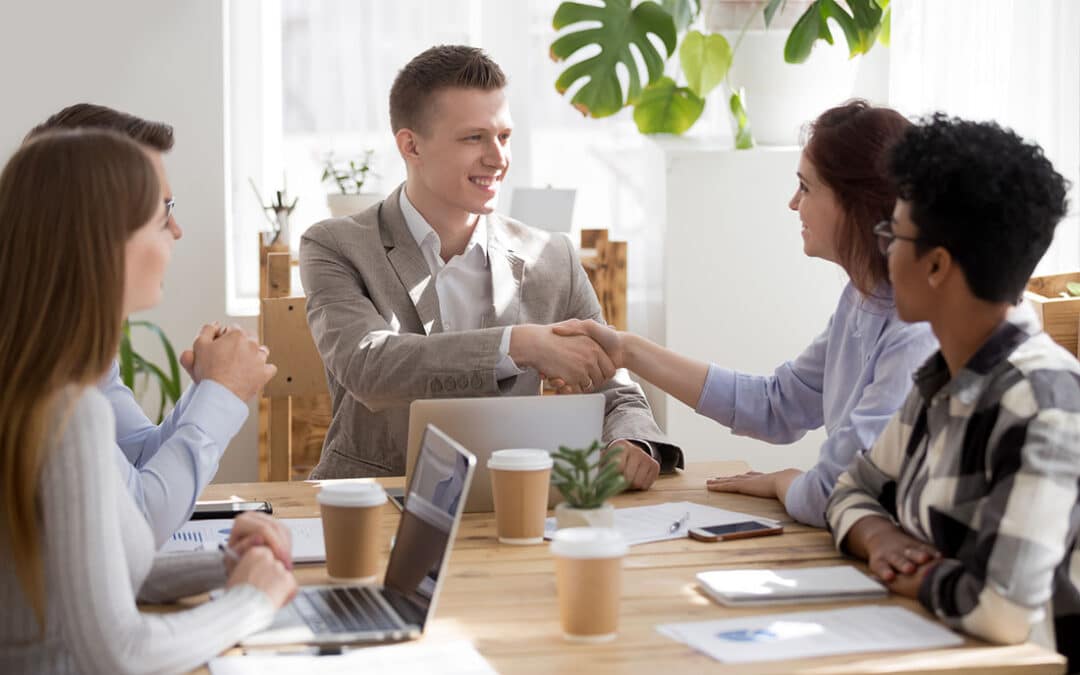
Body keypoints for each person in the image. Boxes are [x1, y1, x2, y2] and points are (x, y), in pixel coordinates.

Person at [299, 45, 681, 488]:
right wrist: (520, 345)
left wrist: (631, 442)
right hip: (376, 502)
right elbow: (370, 367)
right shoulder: (335, 245)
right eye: (473, 138)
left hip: (514, 504)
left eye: (504, 136)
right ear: (411, 145)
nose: (498, 158)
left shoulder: (551, 259)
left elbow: (617, 393)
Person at [552, 101, 938, 526]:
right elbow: (777, 406)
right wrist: (627, 350)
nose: (794, 204)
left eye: (806, 188)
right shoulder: (860, 299)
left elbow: (838, 490)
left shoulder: (914, 332)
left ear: (855, 204)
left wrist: (783, 482)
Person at [0, 129, 298, 673]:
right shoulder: (67, 410)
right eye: (163, 216)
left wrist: (225, 567)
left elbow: (83, 573)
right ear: (106, 240)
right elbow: (119, 652)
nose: (176, 232)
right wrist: (252, 601)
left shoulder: (37, 380)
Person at [826, 115, 1078, 669]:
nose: (884, 250)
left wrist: (913, 577)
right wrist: (879, 538)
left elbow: (1002, 609)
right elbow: (851, 489)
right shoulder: (942, 377)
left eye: (892, 235)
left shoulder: (1044, 402)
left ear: (937, 264)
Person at [25, 104, 278, 548]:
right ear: (102, 225)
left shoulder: (75, 345)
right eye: (164, 209)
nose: (176, 229)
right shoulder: (42, 373)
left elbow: (135, 457)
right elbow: (138, 523)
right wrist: (223, 393)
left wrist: (210, 389)